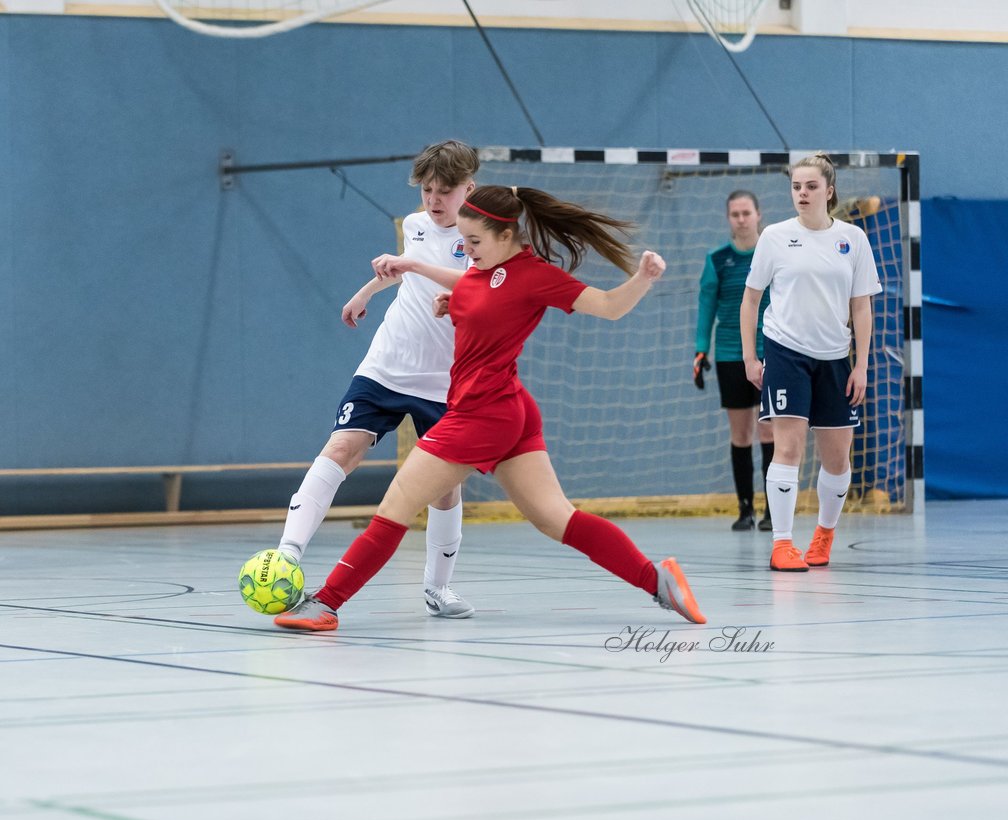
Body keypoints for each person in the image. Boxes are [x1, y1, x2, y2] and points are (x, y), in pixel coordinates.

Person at [274, 185, 707, 631]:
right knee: (556, 518)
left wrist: (643, 278)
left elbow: (608, 306)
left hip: (480, 414)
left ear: (507, 234)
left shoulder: (535, 275)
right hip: (509, 410)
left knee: (397, 504)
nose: (469, 251)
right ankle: (658, 581)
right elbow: (476, 287)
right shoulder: (487, 268)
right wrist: (452, 301)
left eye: (475, 242)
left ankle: (325, 603)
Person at [275, 140, 479, 618]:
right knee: (341, 449)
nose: (433, 199)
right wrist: (365, 291)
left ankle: (437, 588)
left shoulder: (481, 235)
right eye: (427, 189)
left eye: (444, 191)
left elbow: (472, 285)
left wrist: (411, 265)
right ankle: (287, 555)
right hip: (387, 364)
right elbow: (408, 274)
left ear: (468, 188)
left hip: (445, 379)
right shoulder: (415, 225)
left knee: (445, 485)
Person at [740, 154, 881, 572]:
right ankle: (782, 544)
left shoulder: (853, 239)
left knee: (838, 459)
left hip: (837, 358)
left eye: (811, 187)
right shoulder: (775, 237)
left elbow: (862, 307)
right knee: (788, 447)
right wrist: (751, 357)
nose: (802, 193)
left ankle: (824, 535)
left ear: (829, 190)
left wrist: (862, 365)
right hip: (785, 352)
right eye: (796, 187)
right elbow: (750, 300)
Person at [694, 190, 775, 531]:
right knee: (740, 434)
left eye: (747, 213)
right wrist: (701, 349)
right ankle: (745, 509)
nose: (741, 219)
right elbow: (706, 306)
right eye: (735, 214)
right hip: (730, 354)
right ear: (728, 218)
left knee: (770, 431)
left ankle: (775, 510)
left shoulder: (774, 253)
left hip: (772, 351)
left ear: (758, 214)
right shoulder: (717, 259)